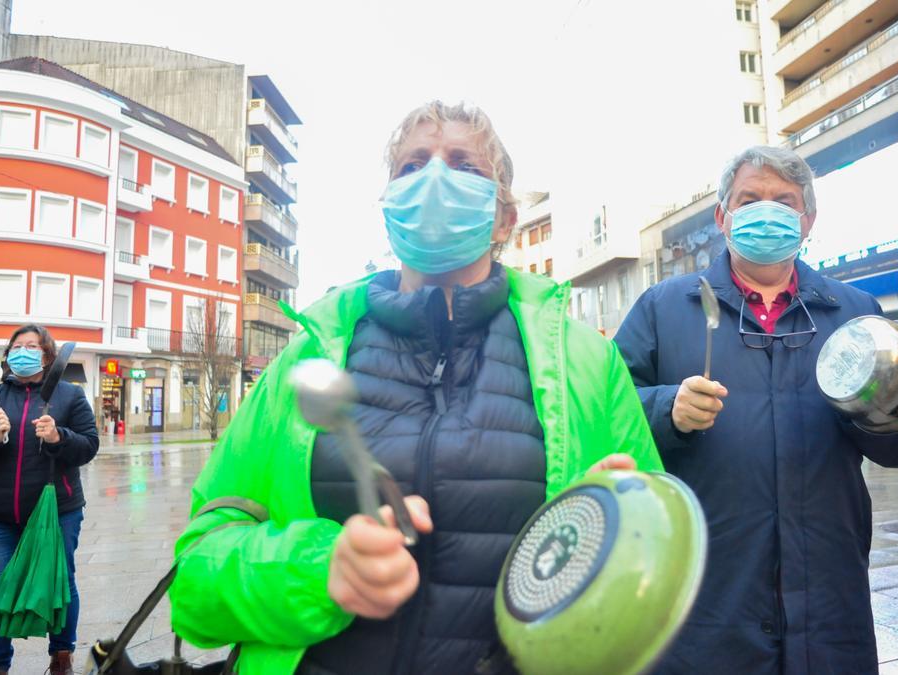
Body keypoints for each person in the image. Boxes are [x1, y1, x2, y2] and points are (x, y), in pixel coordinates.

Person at [169, 101, 663, 674]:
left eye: (463, 165)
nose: (434, 178)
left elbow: (650, 573)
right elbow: (195, 584)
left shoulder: (587, 363)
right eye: (411, 166)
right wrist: (318, 572)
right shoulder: (309, 357)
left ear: (504, 219)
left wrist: (610, 539)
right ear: (388, 212)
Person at [614, 145, 898, 674]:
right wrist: (665, 409)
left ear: (807, 220)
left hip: (829, 593)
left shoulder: (856, 314)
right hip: (707, 593)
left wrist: (877, 409)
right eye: (749, 199)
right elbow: (607, 413)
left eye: (783, 201)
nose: (766, 211)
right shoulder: (662, 307)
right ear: (723, 217)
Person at [0, 324, 99, 675]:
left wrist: (57, 436)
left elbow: (89, 446)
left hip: (55, 513)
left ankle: (61, 655)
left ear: (47, 355)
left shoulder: (70, 396)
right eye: (17, 346)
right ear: (8, 354)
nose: (24, 351)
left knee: (60, 584)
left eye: (32, 346)